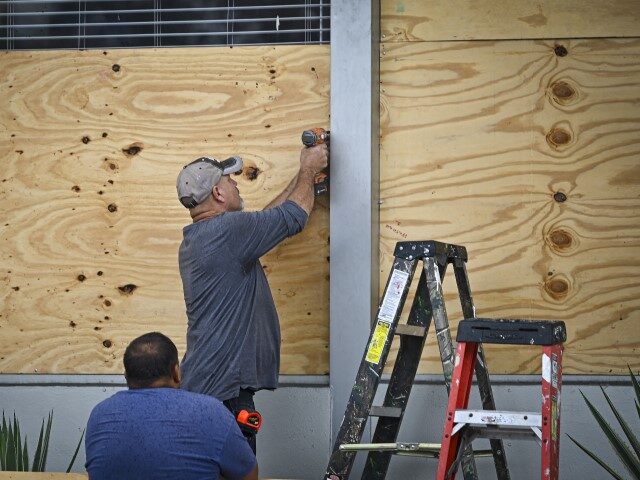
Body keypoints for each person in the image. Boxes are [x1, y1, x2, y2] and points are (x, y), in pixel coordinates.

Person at [176, 144, 328, 452]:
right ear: (218, 194)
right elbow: (292, 218)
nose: (235, 183)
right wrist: (309, 168)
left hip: (208, 385)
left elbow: (268, 219)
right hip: (225, 393)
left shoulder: (202, 236)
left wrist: (302, 179)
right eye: (229, 180)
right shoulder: (229, 231)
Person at [84, 332, 258, 480]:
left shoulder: (100, 414)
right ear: (176, 372)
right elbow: (249, 476)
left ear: (126, 376)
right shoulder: (210, 411)